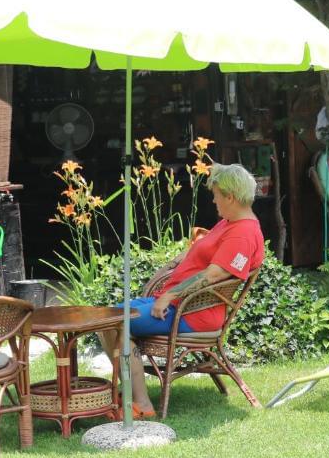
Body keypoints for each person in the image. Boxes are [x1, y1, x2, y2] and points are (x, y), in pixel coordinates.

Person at [104, 162, 265, 418]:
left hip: (190, 313)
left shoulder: (242, 234)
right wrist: (169, 267)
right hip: (176, 304)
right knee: (107, 317)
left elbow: (214, 274)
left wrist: (170, 295)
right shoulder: (230, 223)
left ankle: (142, 404)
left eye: (216, 195)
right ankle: (129, 392)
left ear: (231, 197)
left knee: (115, 322)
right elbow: (199, 249)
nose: (213, 200)